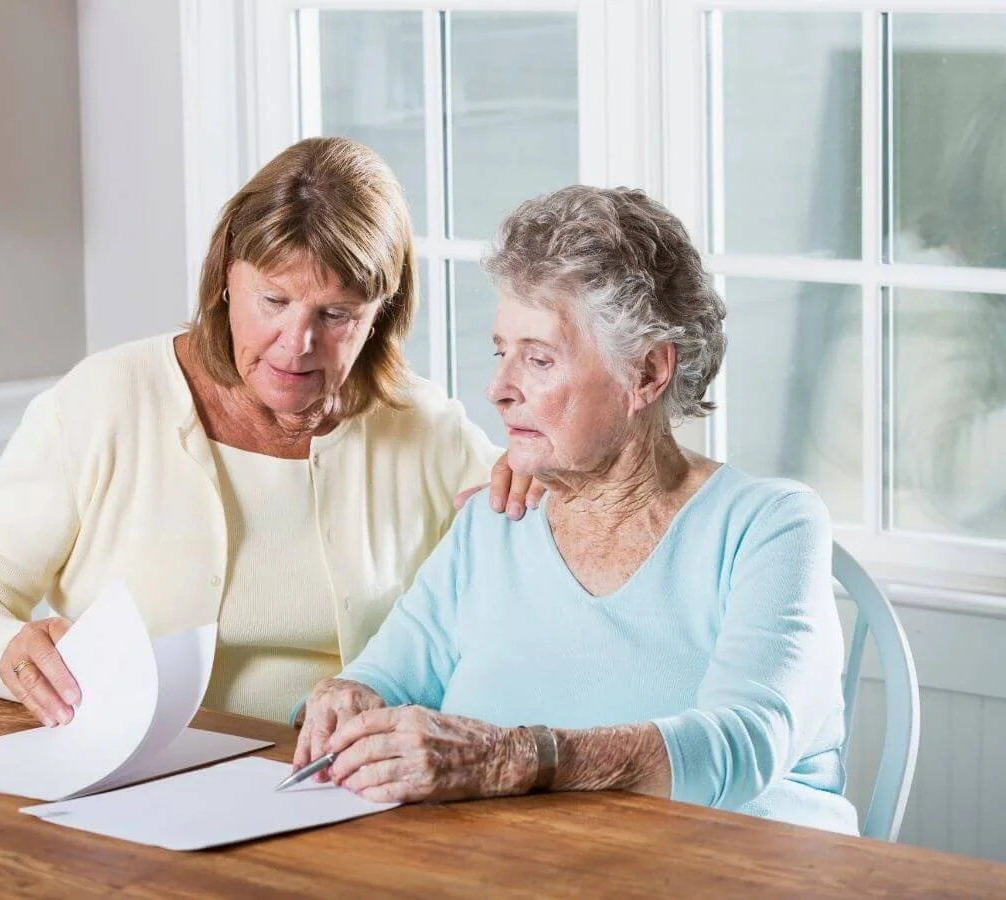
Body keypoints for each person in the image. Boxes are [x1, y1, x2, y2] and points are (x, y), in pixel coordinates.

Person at [0, 137, 540, 726]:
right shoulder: (105, 402)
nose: (297, 343)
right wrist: (5, 649)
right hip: (137, 783)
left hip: (344, 790)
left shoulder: (423, 428)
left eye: (336, 313)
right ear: (227, 278)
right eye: (274, 301)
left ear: (381, 314)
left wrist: (543, 485)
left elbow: (541, 570)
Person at [294, 186, 860, 834]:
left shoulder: (771, 526)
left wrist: (518, 757)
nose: (498, 389)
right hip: (534, 872)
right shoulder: (495, 523)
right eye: (500, 351)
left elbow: (745, 743)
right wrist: (345, 699)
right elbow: (384, 678)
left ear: (646, 372)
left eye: (538, 359)